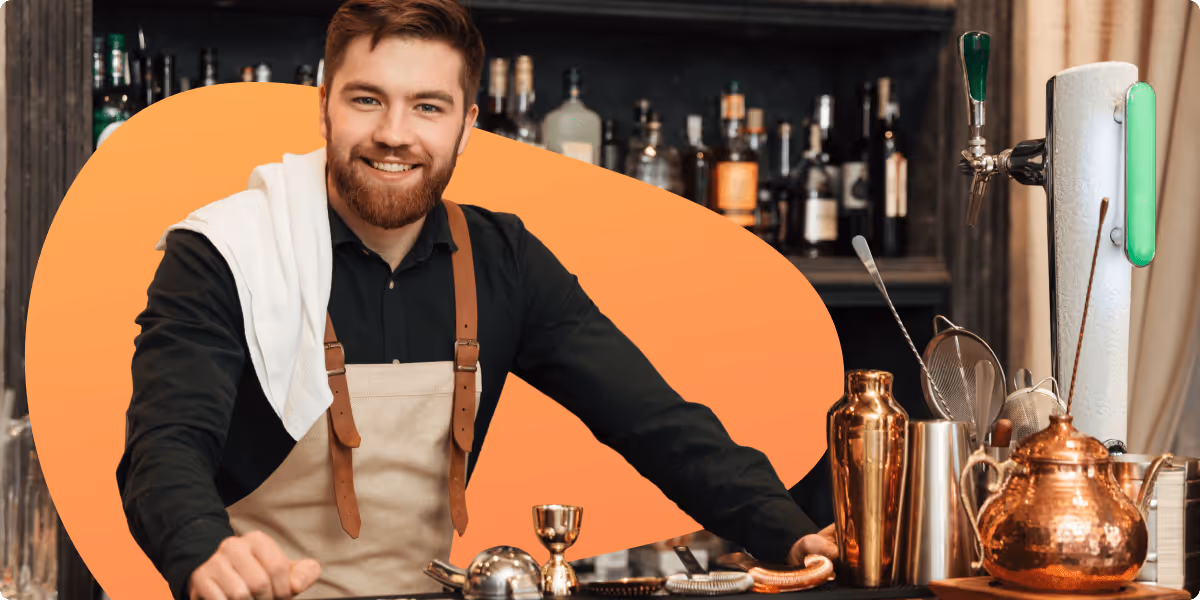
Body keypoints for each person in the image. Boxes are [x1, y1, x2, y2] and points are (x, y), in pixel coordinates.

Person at [116, 1, 836, 599]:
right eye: (367, 99)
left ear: (468, 122)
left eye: (427, 106)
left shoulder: (504, 260)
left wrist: (788, 530)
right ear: (325, 105)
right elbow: (165, 442)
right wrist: (203, 548)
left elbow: (657, 423)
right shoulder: (224, 251)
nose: (394, 134)